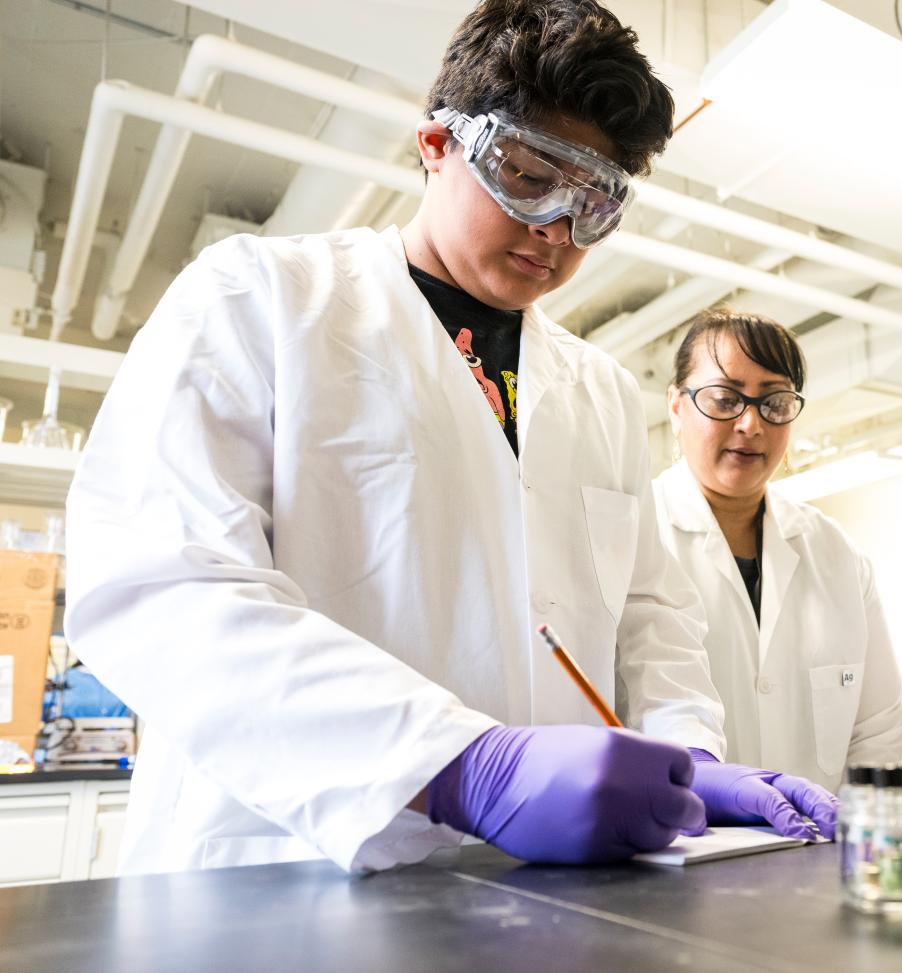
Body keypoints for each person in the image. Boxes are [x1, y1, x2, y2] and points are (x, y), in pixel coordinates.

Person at [64, 0, 835, 876]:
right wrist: (459, 765)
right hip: (286, 866)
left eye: (594, 202)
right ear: (436, 145)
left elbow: (653, 620)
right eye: (528, 173)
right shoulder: (259, 300)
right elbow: (163, 585)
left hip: (548, 891)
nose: (555, 227)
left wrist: (686, 760)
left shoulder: (604, 394)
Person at [653, 309, 902, 792]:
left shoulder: (837, 555)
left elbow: (878, 727)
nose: (750, 424)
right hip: (680, 849)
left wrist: (843, 839)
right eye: (725, 398)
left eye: (774, 402)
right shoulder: (637, 535)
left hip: (819, 851)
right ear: (676, 405)